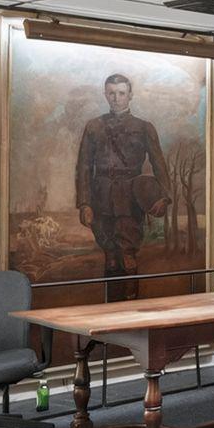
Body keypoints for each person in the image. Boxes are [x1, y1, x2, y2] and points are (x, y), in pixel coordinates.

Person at [74, 73, 171, 287]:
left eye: (121, 93)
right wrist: (84, 203)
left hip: (130, 198)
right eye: (111, 93)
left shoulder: (145, 127)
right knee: (109, 256)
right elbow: (83, 168)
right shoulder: (93, 127)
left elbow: (159, 164)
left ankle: (131, 308)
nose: (116, 98)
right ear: (105, 95)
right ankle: (111, 309)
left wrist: (164, 196)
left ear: (130, 95)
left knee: (128, 255)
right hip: (100, 198)